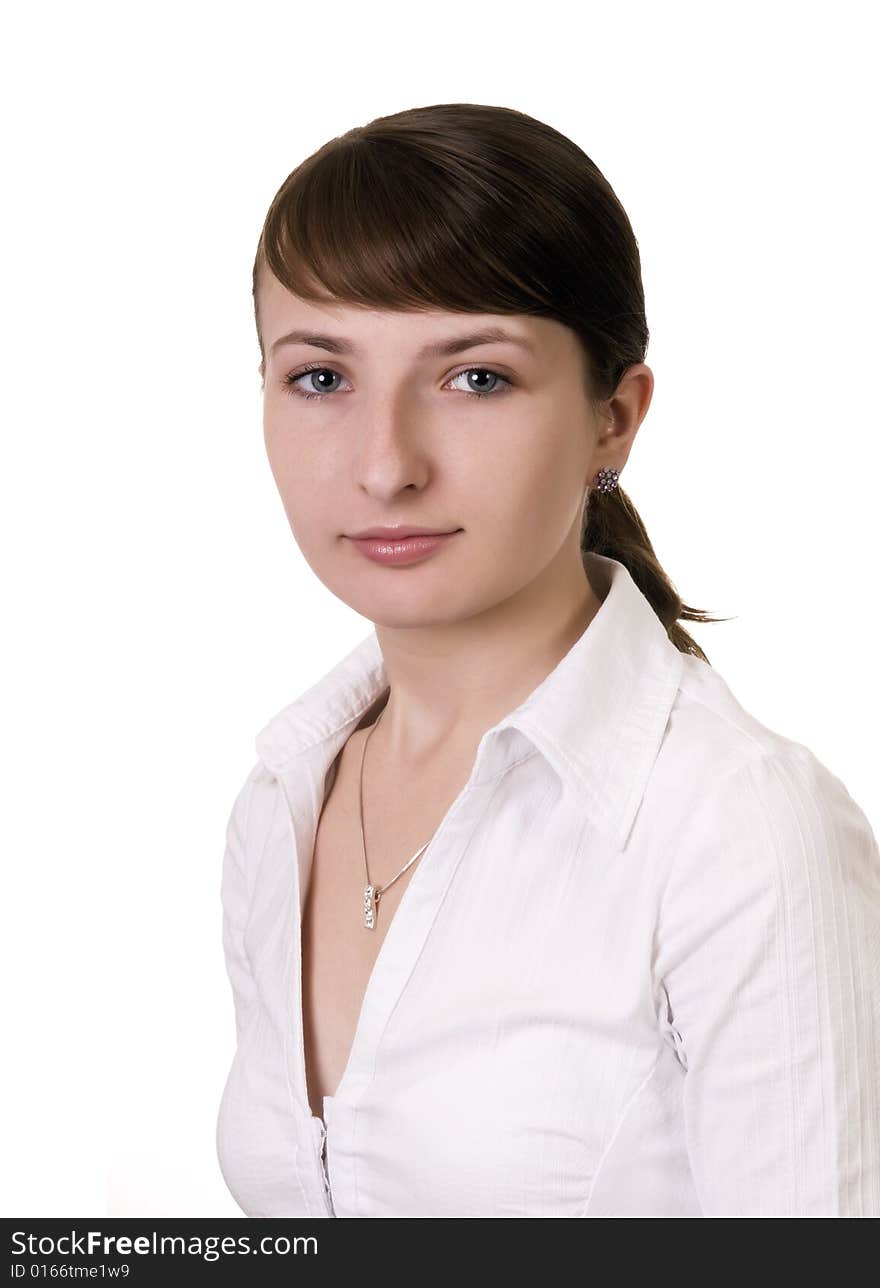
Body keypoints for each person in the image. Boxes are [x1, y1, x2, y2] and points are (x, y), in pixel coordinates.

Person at [216, 102, 880, 1218]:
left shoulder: (739, 831)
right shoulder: (280, 801)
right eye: (321, 378)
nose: (385, 467)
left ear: (613, 418)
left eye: (474, 377)